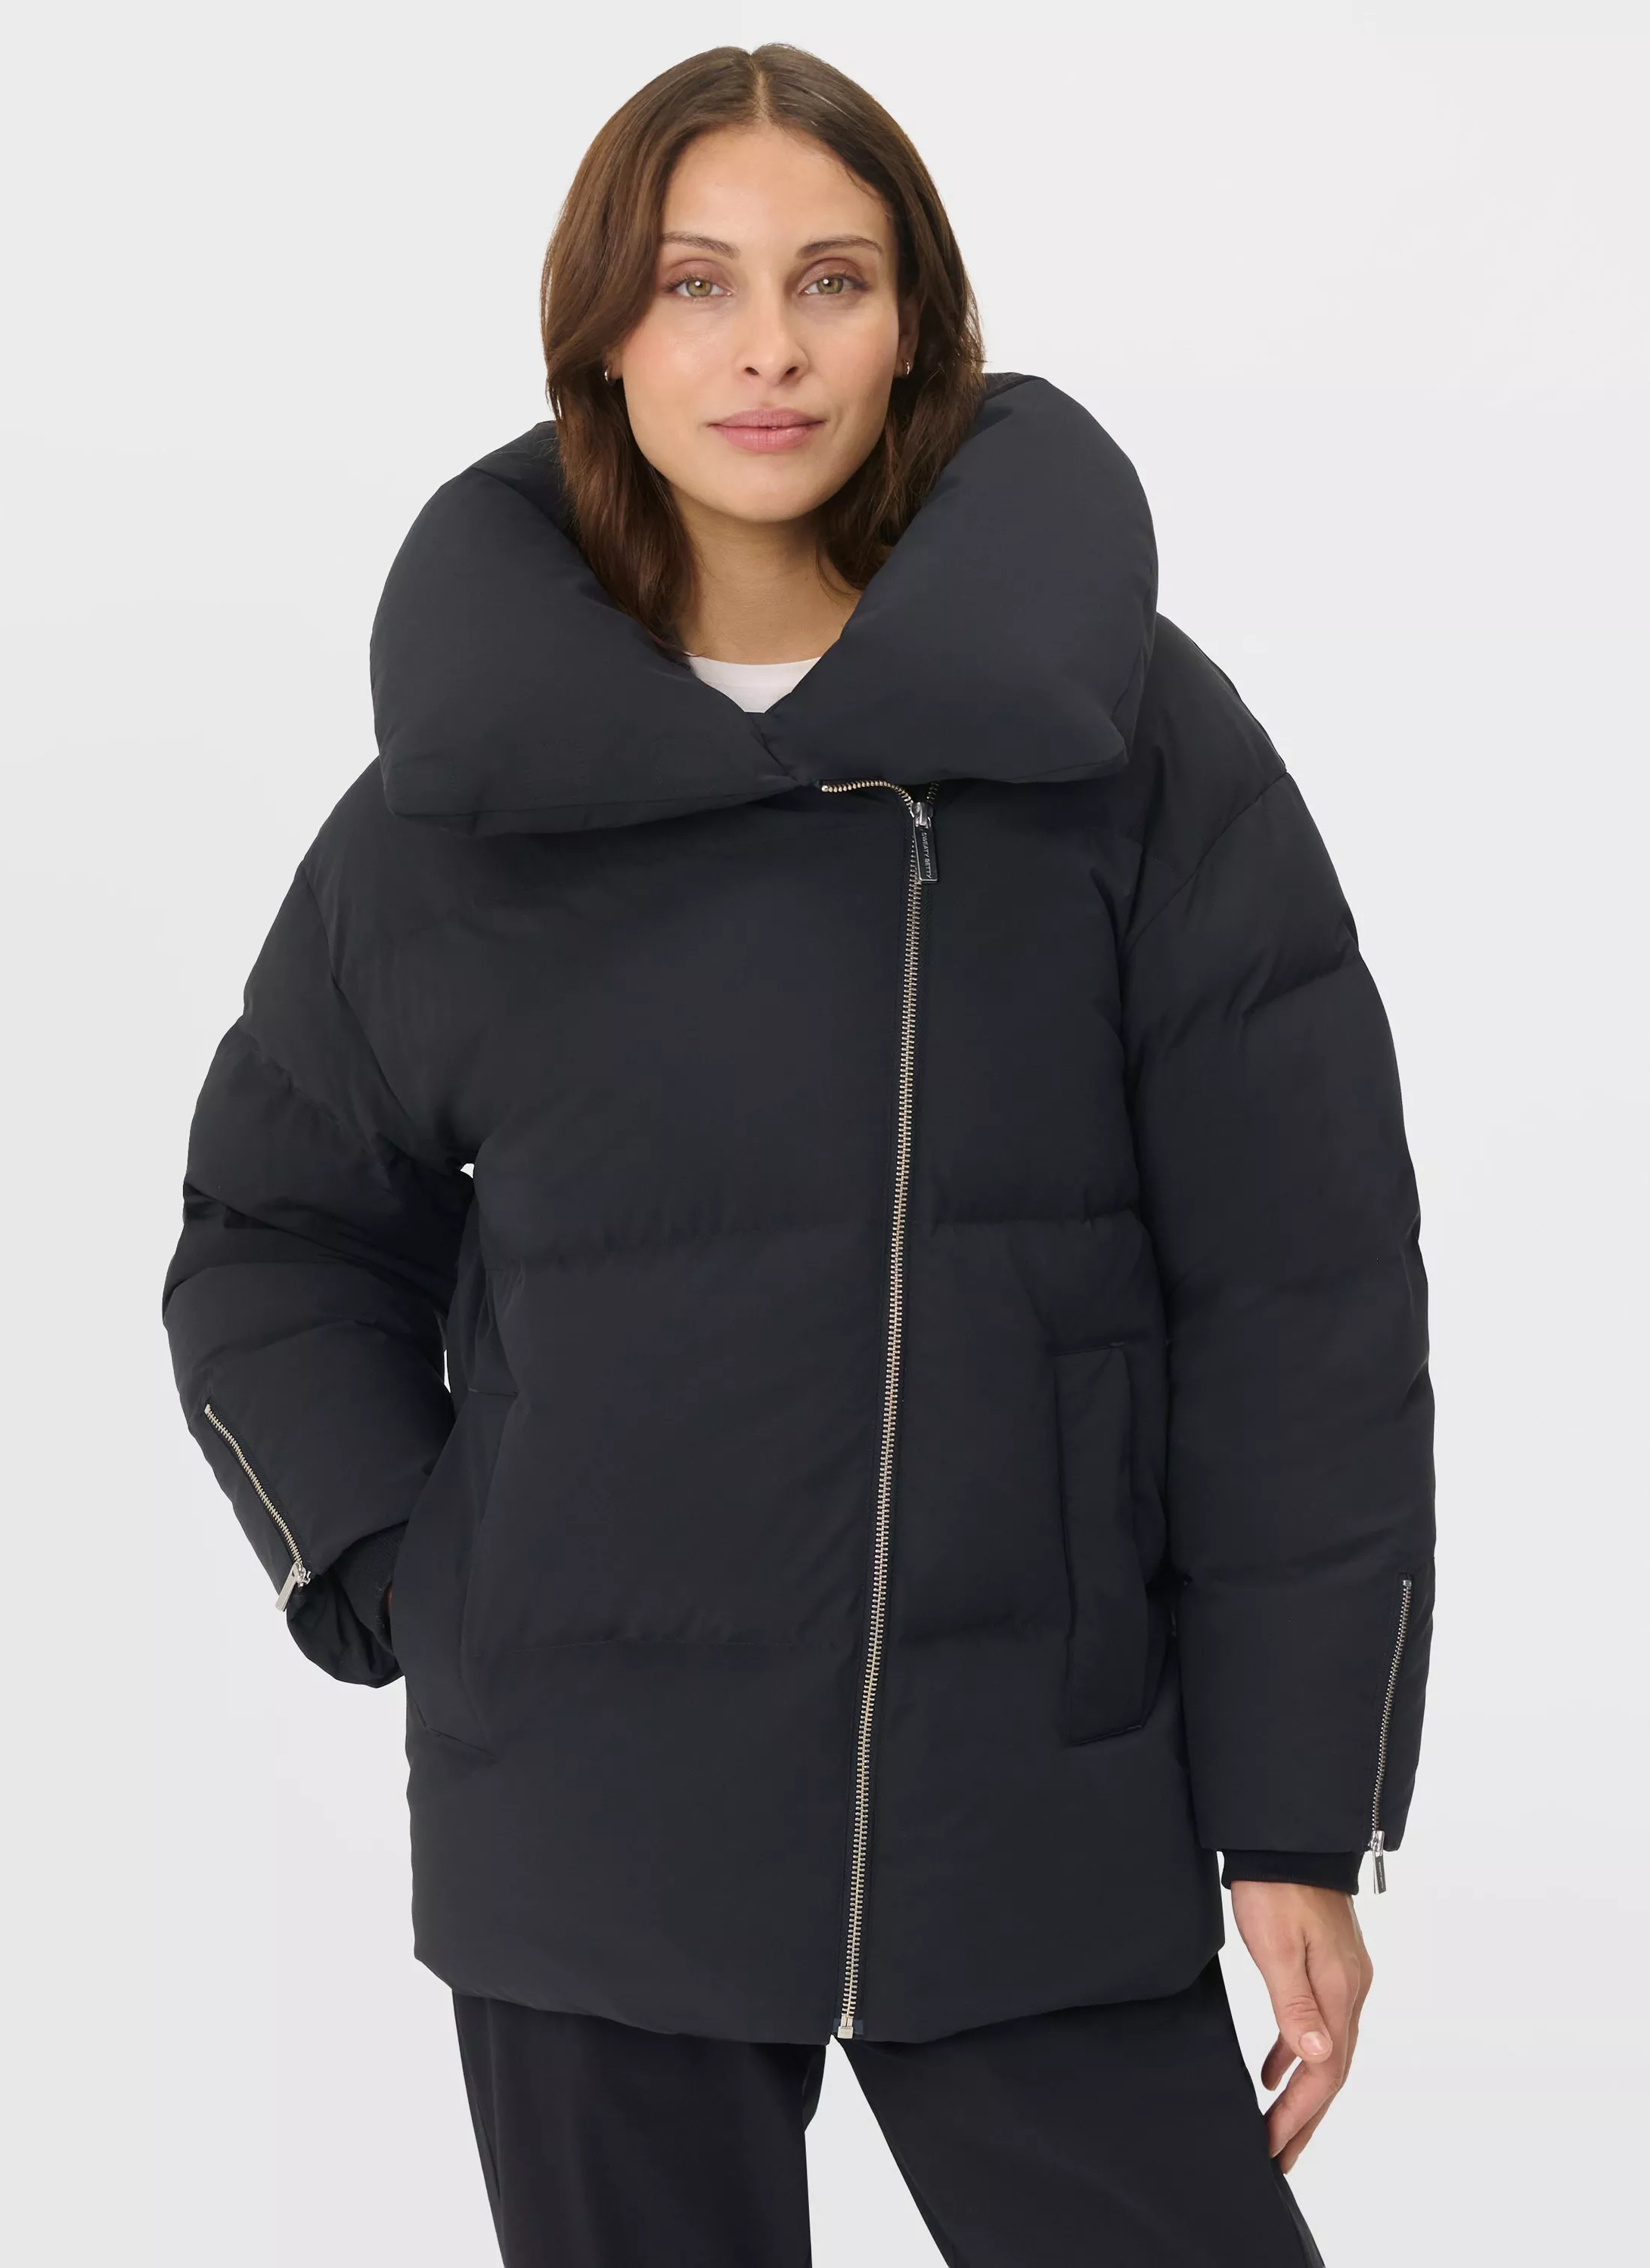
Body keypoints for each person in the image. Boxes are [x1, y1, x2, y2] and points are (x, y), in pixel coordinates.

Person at [163, 41, 1435, 2267]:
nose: (768, 347)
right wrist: (418, 1570)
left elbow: (1299, 1296)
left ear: (917, 324)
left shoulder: (1129, 739)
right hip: (593, 1824)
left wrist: (1296, 1813)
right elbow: (276, 1233)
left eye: (831, 279)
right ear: (603, 334)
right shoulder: (456, 791)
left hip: (1032, 1792)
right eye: (697, 283)